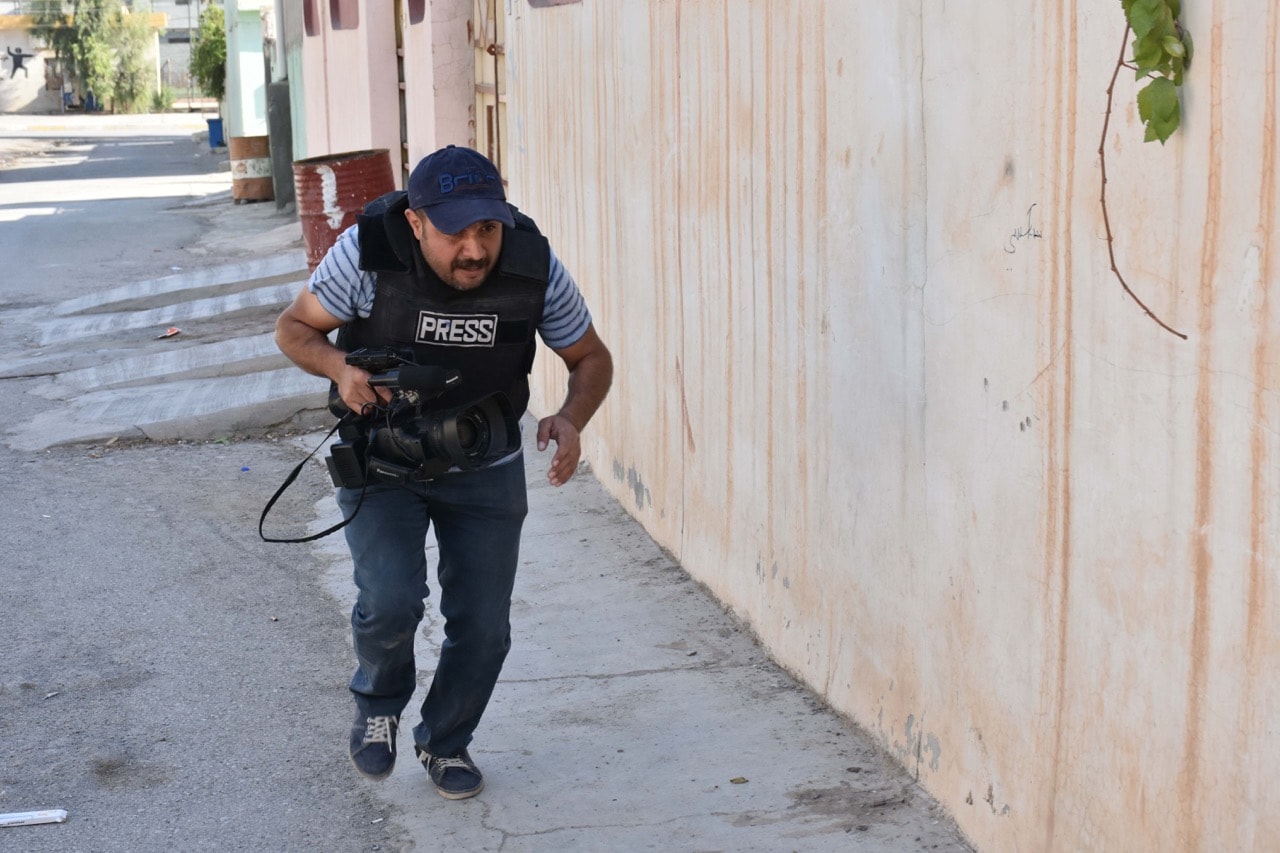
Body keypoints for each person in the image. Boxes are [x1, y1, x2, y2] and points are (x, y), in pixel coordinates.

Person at [274, 145, 613, 799]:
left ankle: (445, 739)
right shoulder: (365, 253)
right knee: (391, 602)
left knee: (485, 626)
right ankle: (379, 703)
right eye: (455, 230)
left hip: (485, 462)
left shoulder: (532, 265)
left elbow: (591, 357)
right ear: (416, 223)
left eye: (485, 228)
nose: (474, 248)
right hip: (380, 459)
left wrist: (572, 416)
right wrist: (342, 370)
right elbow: (293, 328)